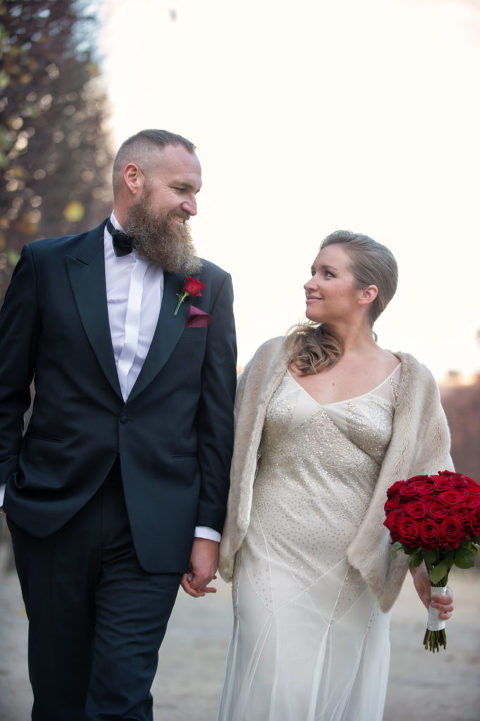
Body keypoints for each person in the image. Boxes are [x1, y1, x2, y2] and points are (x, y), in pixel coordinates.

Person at [0, 129, 237, 721]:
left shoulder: (209, 285)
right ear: (133, 178)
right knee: (57, 693)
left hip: (156, 523)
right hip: (53, 512)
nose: (193, 205)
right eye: (181, 188)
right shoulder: (47, 264)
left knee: (122, 694)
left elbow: (215, 415)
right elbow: (5, 388)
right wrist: (7, 487)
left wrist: (208, 528)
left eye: (196, 192)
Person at [217, 230, 454, 721]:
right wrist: (201, 537)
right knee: (275, 690)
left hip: (357, 567)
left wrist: (429, 574)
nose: (310, 283)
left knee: (337, 699)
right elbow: (223, 452)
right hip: (270, 553)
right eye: (312, 270)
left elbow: (430, 486)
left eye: (327, 273)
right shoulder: (273, 360)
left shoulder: (411, 381)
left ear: (368, 294)